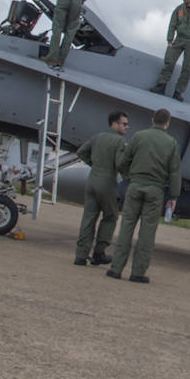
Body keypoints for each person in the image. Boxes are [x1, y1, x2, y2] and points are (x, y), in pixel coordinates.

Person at [106, 108, 181, 284]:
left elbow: (123, 161)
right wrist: (174, 196)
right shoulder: (171, 143)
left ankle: (116, 269)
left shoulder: (139, 136)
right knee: (147, 232)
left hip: (135, 186)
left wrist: (129, 176)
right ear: (167, 123)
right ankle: (137, 273)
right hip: (155, 191)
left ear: (152, 120)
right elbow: (175, 172)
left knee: (126, 227)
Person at [73, 110, 129, 266]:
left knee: (88, 217)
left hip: (92, 180)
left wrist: (95, 164)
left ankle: (80, 255)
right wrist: (129, 177)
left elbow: (81, 152)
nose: (127, 127)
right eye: (124, 124)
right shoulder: (120, 142)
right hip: (107, 183)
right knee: (111, 216)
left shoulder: (97, 137)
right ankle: (99, 253)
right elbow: (120, 163)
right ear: (115, 124)